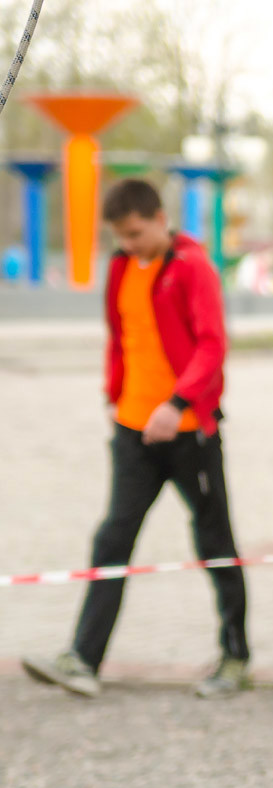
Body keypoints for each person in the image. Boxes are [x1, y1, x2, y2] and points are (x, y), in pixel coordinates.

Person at [21, 179, 250, 699]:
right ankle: (82, 659)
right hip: (131, 432)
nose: (127, 244)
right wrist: (113, 394)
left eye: (135, 233)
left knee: (214, 542)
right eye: (119, 237)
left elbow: (212, 347)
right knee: (112, 539)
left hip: (189, 432)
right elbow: (120, 336)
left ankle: (236, 657)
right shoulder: (122, 267)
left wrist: (177, 404)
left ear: (159, 217)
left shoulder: (192, 268)